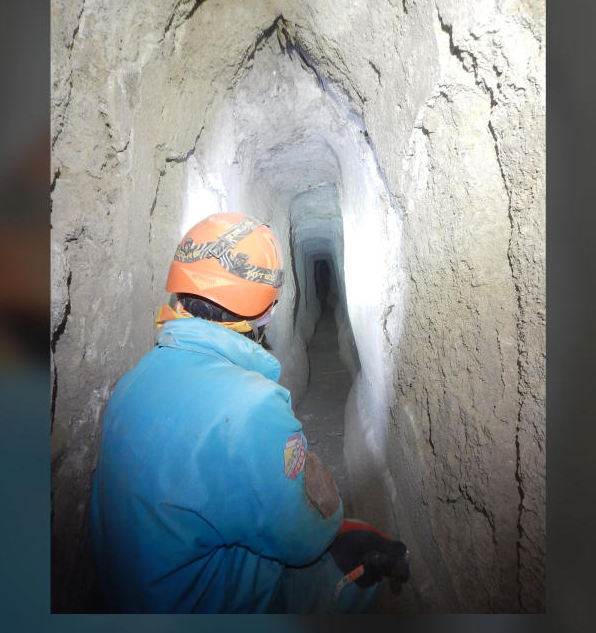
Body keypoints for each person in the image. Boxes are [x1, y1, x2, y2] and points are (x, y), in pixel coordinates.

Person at [88, 211, 409, 613]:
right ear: (265, 310)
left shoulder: (132, 383)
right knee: (362, 552)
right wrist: (325, 504)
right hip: (204, 605)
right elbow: (305, 539)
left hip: (133, 597)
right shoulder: (252, 406)